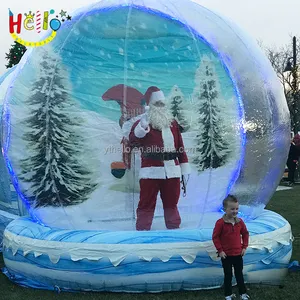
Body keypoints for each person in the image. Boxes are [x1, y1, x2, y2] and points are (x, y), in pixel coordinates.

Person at [129, 86, 191, 231]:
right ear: (149, 105)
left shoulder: (173, 123)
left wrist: (184, 167)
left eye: (162, 103)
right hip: (151, 172)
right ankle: (143, 232)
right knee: (146, 204)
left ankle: (174, 229)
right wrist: (141, 128)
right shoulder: (142, 122)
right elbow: (132, 141)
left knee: (172, 203)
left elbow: (180, 147)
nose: (161, 107)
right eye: (157, 104)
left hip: (173, 171)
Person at [212, 195, 250, 300]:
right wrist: (220, 250)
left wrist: (244, 247)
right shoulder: (220, 223)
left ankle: (243, 293)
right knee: (228, 275)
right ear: (225, 209)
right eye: (232, 209)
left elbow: (245, 234)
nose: (235, 211)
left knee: (239, 274)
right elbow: (215, 237)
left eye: (237, 208)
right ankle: (228, 294)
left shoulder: (240, 222)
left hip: (238, 254)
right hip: (226, 255)